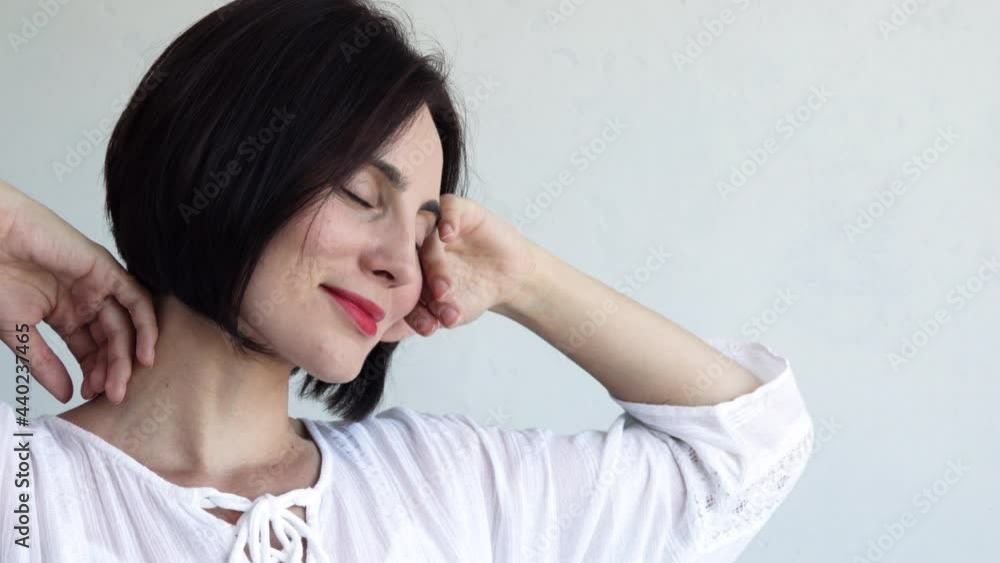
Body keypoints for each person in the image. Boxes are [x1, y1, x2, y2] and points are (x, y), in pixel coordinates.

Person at [0, 1, 816, 562]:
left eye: (425, 232)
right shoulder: (27, 495)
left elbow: (747, 454)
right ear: (220, 160)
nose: (402, 261)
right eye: (362, 195)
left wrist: (524, 279)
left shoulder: (448, 486)